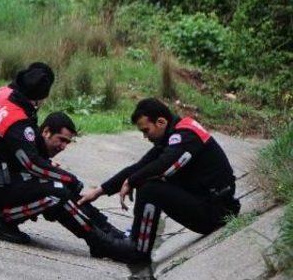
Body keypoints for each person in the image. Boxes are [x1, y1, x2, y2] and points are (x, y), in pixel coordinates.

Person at [0, 62, 122, 252]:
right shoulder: (17, 117)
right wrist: (68, 178)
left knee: (58, 184)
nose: (63, 147)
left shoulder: (4, 96)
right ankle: (101, 241)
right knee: (57, 190)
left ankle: (108, 232)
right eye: (61, 140)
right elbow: (31, 164)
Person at [78, 98, 241, 263]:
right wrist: (99, 191)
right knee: (145, 177)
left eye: (146, 130)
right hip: (207, 205)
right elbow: (140, 166)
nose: (145, 136)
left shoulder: (186, 135)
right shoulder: (173, 134)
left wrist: (132, 181)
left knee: (149, 188)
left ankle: (138, 250)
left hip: (216, 212)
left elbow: (163, 165)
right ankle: (136, 239)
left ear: (161, 122)